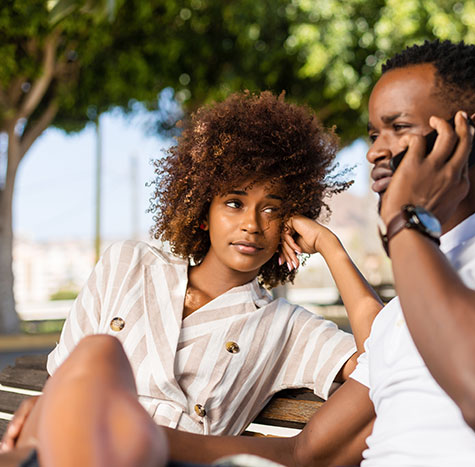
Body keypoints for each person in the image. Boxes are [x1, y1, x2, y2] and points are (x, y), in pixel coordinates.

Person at [2, 40, 475, 467]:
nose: (377, 152)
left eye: (400, 128)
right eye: (372, 133)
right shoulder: (421, 291)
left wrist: (399, 225)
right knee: (96, 358)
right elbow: (308, 453)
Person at [0, 91, 382, 453]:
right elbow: (64, 380)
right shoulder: (128, 264)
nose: (251, 224)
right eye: (234, 203)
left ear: (290, 221)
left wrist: (331, 248)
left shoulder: (286, 327)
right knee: (97, 354)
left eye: (271, 209)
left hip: (168, 454)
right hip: (75, 444)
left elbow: (385, 358)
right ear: (203, 213)